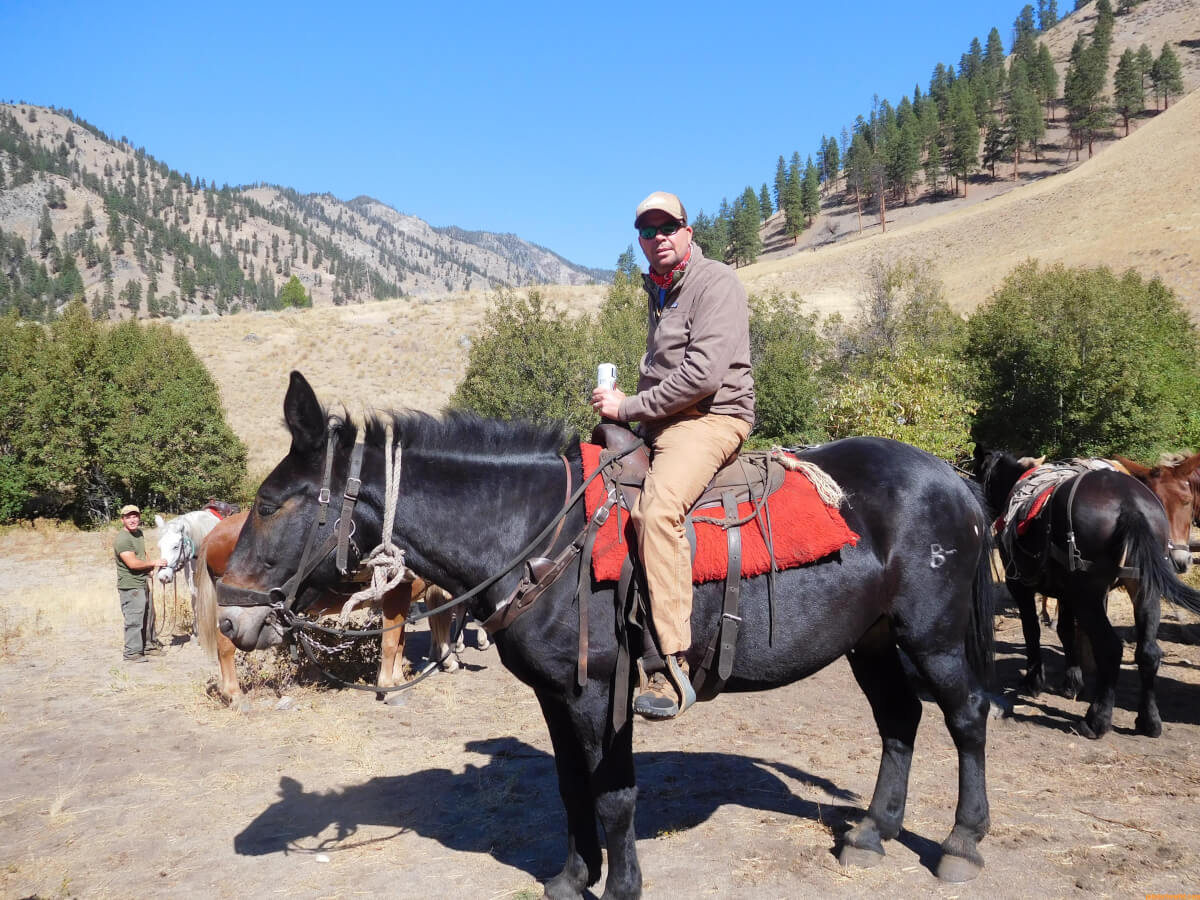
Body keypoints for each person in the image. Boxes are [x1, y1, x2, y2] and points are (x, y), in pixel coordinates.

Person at [591, 191, 755, 719]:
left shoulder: (716, 283)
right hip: (662, 421)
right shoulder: (661, 290)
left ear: (687, 231)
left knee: (657, 512)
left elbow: (704, 376)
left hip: (710, 420)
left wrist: (629, 406)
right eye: (646, 230)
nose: (657, 237)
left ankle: (671, 665)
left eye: (667, 227)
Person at [114, 504, 167, 662]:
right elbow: (132, 563)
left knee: (149, 615)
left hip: (141, 582)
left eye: (135, 516)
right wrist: (154, 563)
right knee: (135, 619)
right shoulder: (122, 539)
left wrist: (149, 567)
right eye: (128, 517)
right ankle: (132, 653)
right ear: (122, 519)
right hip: (131, 585)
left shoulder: (138, 533)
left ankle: (148, 646)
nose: (132, 520)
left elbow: (142, 553)